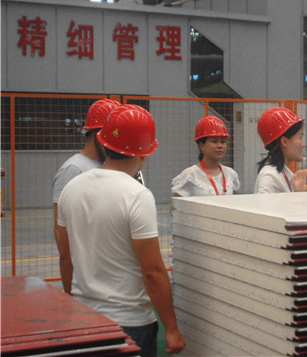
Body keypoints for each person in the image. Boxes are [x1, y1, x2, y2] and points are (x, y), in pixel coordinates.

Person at [56, 104, 185, 356]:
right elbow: (152, 271)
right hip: (130, 323)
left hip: (84, 318)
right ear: (145, 154)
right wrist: (171, 328)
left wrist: (75, 303)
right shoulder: (137, 195)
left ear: (104, 144)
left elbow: (65, 257)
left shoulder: (71, 189)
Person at [52, 99, 121, 250]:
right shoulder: (73, 170)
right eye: (112, 135)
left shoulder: (109, 165)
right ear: (97, 133)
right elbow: (60, 229)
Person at [171, 116, 240, 197]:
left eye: (223, 142)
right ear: (202, 145)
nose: (220, 146)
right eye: (214, 141)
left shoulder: (230, 174)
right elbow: (177, 204)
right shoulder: (189, 175)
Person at [254, 107, 307, 193]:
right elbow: (263, 201)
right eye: (300, 137)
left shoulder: (280, 172)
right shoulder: (269, 177)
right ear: (284, 142)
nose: (303, 144)